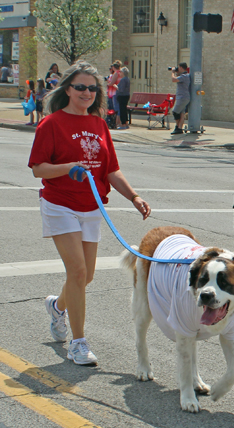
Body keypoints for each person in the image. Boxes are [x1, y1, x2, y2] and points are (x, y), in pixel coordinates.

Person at [28, 60, 151, 365]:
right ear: (68, 89)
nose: (86, 92)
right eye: (80, 87)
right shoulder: (52, 123)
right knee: (78, 272)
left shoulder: (99, 124)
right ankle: (78, 343)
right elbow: (37, 169)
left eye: (92, 88)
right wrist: (67, 169)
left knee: (87, 276)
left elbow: (110, 170)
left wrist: (134, 197)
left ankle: (58, 307)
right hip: (60, 203)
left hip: (91, 205)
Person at [170, 62, 190, 135]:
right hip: (184, 97)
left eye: (178, 67)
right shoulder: (186, 76)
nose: (177, 69)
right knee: (181, 113)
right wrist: (177, 72)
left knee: (175, 112)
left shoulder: (184, 76)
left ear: (181, 68)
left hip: (182, 97)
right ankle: (179, 128)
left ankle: (178, 127)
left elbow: (174, 79)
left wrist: (172, 72)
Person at [107, 62, 121, 126]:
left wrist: (108, 83)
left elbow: (112, 83)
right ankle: (117, 122)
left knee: (116, 108)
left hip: (114, 92)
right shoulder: (121, 73)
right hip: (118, 92)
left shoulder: (116, 73)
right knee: (117, 108)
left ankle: (117, 122)